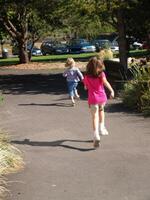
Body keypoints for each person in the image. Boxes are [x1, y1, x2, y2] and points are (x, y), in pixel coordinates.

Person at [83, 57, 114, 148]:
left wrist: (88, 86)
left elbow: (86, 87)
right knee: (101, 110)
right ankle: (102, 127)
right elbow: (105, 83)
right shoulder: (101, 74)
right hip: (102, 97)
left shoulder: (87, 76)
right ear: (98, 67)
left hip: (93, 98)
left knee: (94, 117)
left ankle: (96, 134)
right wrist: (111, 91)